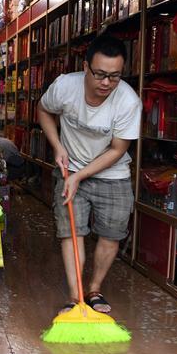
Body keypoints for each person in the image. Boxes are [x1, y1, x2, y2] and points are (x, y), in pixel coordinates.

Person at [37, 34, 141, 315]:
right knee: (72, 232)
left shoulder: (128, 101)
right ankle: (76, 298)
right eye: (100, 74)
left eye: (114, 77)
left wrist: (80, 175)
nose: (106, 83)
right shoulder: (64, 87)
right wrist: (57, 146)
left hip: (113, 173)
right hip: (68, 168)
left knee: (111, 233)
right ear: (86, 67)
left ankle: (94, 289)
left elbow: (118, 149)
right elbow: (44, 111)